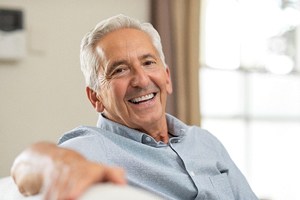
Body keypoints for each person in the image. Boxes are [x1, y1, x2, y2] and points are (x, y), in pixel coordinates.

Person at [11, 14, 258, 200]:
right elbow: (25, 165)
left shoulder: (204, 141)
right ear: (95, 98)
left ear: (167, 78)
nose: (141, 80)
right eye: (119, 70)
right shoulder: (96, 147)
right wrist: (56, 164)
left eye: (148, 63)